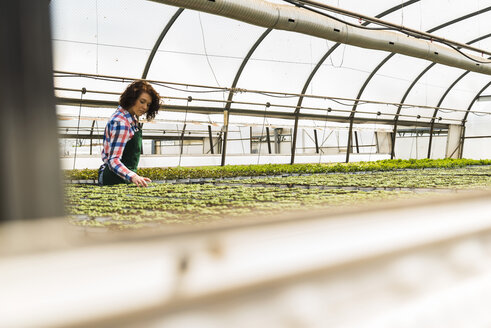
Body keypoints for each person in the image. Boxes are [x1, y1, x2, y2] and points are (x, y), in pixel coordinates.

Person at [98, 80, 161, 187]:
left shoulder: (130, 119)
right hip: (113, 180)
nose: (145, 107)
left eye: (148, 104)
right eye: (142, 101)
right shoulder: (121, 123)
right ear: (132, 99)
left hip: (123, 178)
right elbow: (113, 161)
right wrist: (133, 176)